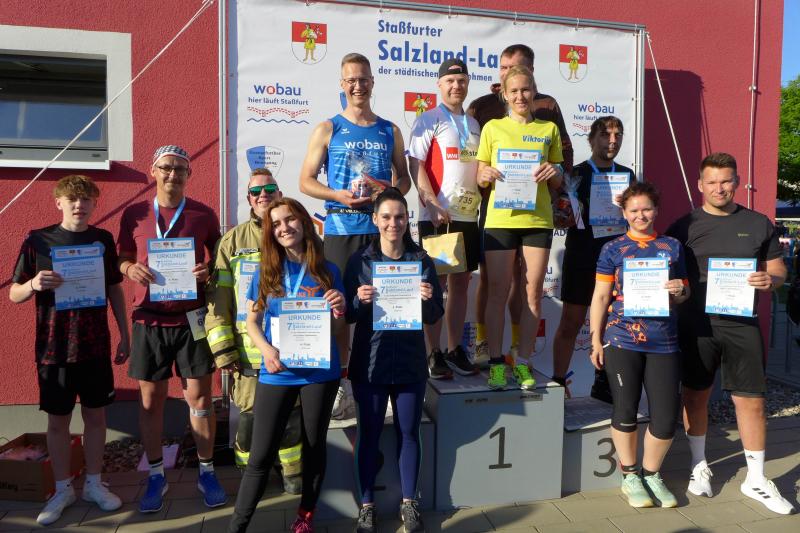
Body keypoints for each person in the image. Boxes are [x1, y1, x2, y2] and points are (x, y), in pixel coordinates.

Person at [666, 153, 795, 514]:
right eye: (712, 182)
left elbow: (778, 269)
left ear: (737, 182)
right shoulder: (683, 226)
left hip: (742, 324)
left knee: (751, 400)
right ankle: (698, 465)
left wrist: (771, 280)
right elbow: (668, 272)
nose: (719, 188)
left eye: (726, 181)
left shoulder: (758, 223)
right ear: (700, 185)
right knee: (695, 396)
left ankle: (756, 478)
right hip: (697, 324)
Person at [10, 175, 128, 525]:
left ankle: (93, 483)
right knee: (58, 422)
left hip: (94, 346)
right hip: (54, 348)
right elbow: (13, 293)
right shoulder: (38, 240)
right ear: (58, 203)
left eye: (86, 199)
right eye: (72, 199)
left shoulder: (102, 240)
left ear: (94, 204)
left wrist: (125, 334)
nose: (79, 205)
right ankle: (63, 489)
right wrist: (33, 284)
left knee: (96, 417)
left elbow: (114, 288)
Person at [299, 52, 411, 417]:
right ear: (342, 84)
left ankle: (385, 378)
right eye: (351, 80)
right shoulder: (328, 128)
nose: (358, 86)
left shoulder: (390, 129)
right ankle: (342, 383)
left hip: (382, 233)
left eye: (363, 79)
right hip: (341, 228)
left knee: (384, 306)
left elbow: (404, 179)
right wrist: (337, 195)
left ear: (372, 82)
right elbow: (305, 181)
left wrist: (388, 192)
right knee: (339, 308)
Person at [117, 145, 226, 512]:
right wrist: (129, 269)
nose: (172, 175)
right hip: (149, 319)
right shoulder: (134, 214)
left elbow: (220, 260)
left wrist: (208, 271)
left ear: (188, 175)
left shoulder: (203, 214)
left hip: (192, 318)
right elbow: (121, 258)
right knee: (151, 402)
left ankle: (207, 472)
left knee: (200, 399)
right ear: (153, 170)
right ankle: (156, 476)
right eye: (166, 167)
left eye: (180, 169)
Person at [228, 198, 346, 533]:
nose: (284, 228)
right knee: (260, 454)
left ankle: (305, 515)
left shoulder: (328, 271)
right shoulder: (266, 271)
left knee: (313, 446)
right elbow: (251, 322)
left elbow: (338, 328)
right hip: (278, 371)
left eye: (290, 220)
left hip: (319, 372)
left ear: (304, 222)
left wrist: (339, 309)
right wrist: (266, 350)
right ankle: (237, 526)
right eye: (276, 224)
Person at [344, 188, 444, 533]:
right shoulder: (359, 261)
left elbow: (434, 315)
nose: (393, 223)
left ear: (407, 220)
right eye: (386, 217)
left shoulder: (422, 260)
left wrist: (428, 300)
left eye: (399, 216)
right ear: (375, 219)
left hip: (410, 363)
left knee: (409, 432)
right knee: (369, 434)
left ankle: (409, 502)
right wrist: (357, 301)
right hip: (370, 363)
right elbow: (347, 315)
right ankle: (366, 506)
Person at [468, 44, 574, 367]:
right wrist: (484, 174)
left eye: (525, 90)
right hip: (500, 219)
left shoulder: (548, 128)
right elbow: (480, 176)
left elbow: (559, 179)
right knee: (497, 292)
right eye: (513, 91)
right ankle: (496, 363)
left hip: (537, 221)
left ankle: (523, 361)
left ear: (534, 91)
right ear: (504, 93)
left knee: (532, 294)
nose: (520, 96)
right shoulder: (492, 128)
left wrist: (554, 173)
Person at [589, 182, 689, 508]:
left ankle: (652, 474)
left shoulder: (672, 246)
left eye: (646, 209)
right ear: (624, 213)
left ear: (656, 210)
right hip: (621, 339)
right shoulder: (612, 249)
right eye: (634, 210)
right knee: (625, 409)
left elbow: (685, 292)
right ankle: (630, 475)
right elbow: (601, 297)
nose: (640, 215)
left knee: (665, 417)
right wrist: (595, 340)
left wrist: (679, 290)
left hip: (664, 341)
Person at [204, 168, 303, 492]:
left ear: (279, 193)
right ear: (248, 198)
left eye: (270, 189)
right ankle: (251, 477)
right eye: (256, 191)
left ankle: (292, 474)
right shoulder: (232, 242)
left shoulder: (294, 235)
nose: (263, 195)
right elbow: (218, 300)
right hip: (248, 354)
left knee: (291, 415)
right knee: (249, 418)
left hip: (291, 347)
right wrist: (223, 350)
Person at [407, 58, 482, 379]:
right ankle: (432, 351)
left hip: (468, 216)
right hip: (439, 215)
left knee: (461, 284)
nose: (456, 86)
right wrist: (431, 202)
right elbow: (415, 164)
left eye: (461, 81)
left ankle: (453, 349)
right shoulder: (429, 119)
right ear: (439, 85)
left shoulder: (475, 124)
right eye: (450, 81)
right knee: (435, 286)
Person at [552, 116, 634, 397]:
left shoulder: (627, 176)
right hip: (582, 258)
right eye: (605, 135)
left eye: (617, 135)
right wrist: (566, 211)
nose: (612, 141)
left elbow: (639, 220)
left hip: (616, 262)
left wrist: (628, 209)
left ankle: (604, 382)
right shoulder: (575, 174)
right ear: (591, 139)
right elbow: (559, 219)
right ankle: (558, 383)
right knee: (570, 324)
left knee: (613, 326)